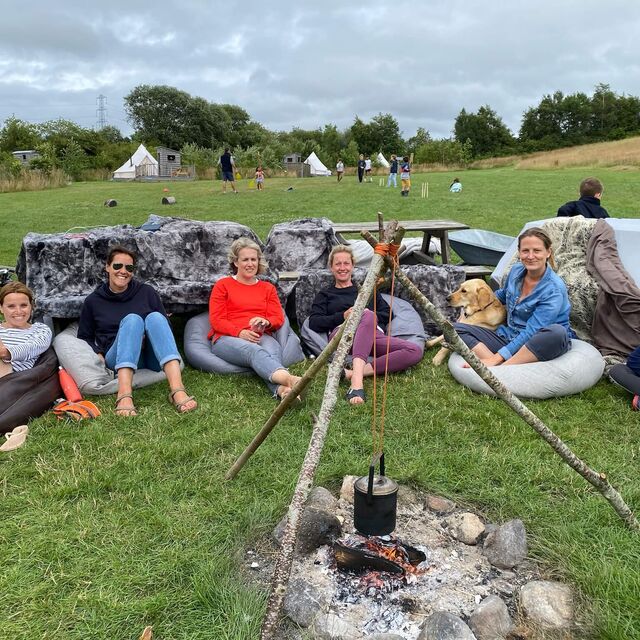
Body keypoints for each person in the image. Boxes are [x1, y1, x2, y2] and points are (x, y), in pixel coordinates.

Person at [78, 246, 197, 417]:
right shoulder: (93, 301)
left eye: (129, 268)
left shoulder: (147, 292)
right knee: (133, 319)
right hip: (119, 356)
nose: (123, 271)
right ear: (107, 267)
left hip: (150, 356)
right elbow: (84, 335)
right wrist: (98, 352)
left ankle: (177, 390)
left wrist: (146, 337)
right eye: (118, 266)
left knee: (155, 317)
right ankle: (124, 395)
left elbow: (165, 326)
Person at [308, 245, 423, 405]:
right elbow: (314, 322)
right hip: (343, 336)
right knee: (367, 313)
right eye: (338, 264)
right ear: (331, 267)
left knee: (414, 350)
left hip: (372, 336)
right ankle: (356, 385)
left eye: (346, 263)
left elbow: (387, 313)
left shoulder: (366, 290)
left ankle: (352, 373)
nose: (342, 268)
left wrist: (369, 321)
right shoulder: (326, 294)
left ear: (352, 265)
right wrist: (343, 316)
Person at [455, 228, 574, 367]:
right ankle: (498, 363)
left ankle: (502, 366)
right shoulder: (516, 271)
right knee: (457, 328)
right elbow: (502, 296)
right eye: (525, 251)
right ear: (519, 252)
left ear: (548, 252)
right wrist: (477, 304)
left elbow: (532, 331)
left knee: (557, 333)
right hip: (508, 336)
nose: (530, 256)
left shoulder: (554, 289)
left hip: (538, 341)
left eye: (537, 250)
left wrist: (497, 357)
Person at [208, 238, 302, 401]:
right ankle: (291, 380)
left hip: (261, 336)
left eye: (254, 259)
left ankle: (282, 391)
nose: (250, 264)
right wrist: (239, 332)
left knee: (272, 353)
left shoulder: (267, 288)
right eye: (245, 259)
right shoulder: (223, 285)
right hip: (227, 339)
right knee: (255, 351)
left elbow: (278, 317)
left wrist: (267, 322)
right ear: (235, 262)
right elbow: (216, 319)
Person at [0, 282, 52, 378]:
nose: (19, 311)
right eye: (11, 306)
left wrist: (6, 352)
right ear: (1, 308)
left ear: (31, 307)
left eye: (23, 305)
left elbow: (33, 347)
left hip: (14, 378)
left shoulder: (40, 330)